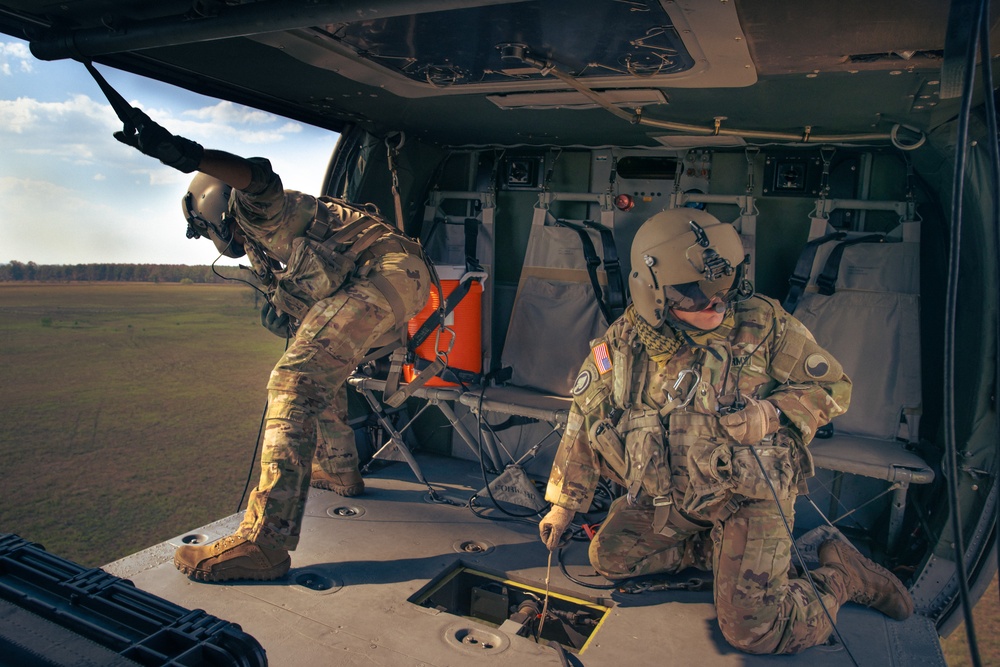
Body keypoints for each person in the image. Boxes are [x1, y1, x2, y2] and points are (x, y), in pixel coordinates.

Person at [537, 209, 913, 654]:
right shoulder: (623, 344)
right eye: (693, 296)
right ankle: (724, 556)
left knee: (756, 632)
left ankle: (843, 577)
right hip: (674, 500)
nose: (714, 303)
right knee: (609, 558)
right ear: (652, 294)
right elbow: (586, 414)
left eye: (722, 288)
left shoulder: (764, 325)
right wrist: (564, 503)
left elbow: (832, 386)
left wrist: (771, 414)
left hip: (747, 497)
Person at [114, 110, 431, 582]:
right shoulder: (269, 251)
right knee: (311, 368)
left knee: (293, 379)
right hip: (389, 279)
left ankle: (265, 543)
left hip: (385, 273)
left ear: (215, 209)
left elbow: (258, 178)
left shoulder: (256, 213)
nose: (214, 240)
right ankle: (341, 469)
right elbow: (308, 297)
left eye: (205, 228)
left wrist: (191, 156)